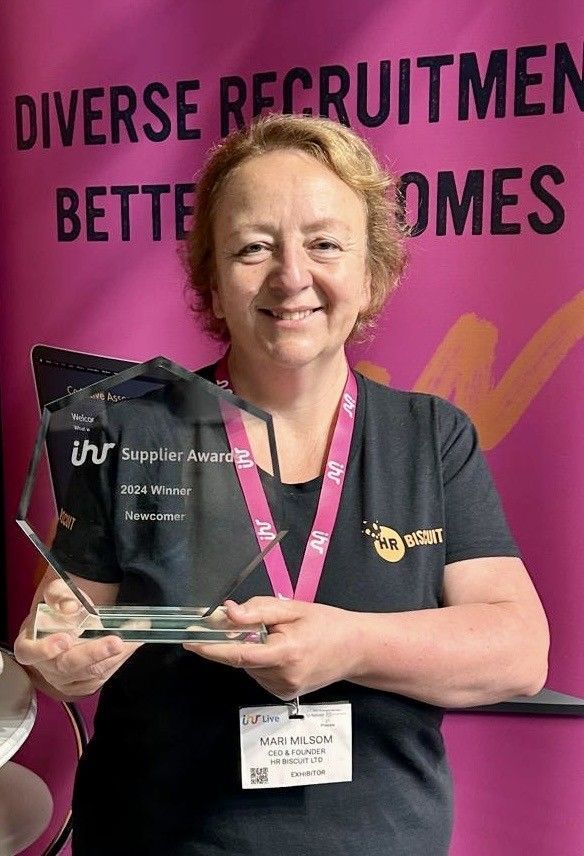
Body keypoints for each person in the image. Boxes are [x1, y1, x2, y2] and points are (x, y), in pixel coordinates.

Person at [15, 114, 549, 856]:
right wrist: (62, 662)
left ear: (374, 273)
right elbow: (59, 633)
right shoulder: (132, 431)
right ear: (210, 277)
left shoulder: (431, 437)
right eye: (253, 248)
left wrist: (350, 643)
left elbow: (519, 652)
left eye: (325, 244)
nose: (292, 277)